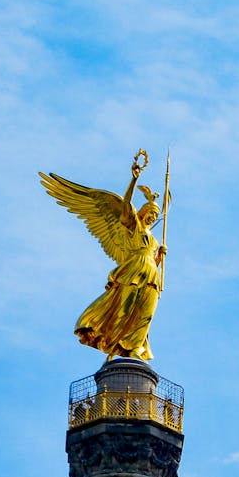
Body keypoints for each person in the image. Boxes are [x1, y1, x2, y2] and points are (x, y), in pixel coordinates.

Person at [40, 155, 168, 361]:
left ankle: (135, 348)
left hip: (151, 275)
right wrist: (134, 180)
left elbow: (153, 261)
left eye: (155, 215)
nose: (153, 217)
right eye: (150, 213)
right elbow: (125, 207)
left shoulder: (153, 240)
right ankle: (113, 343)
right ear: (143, 212)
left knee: (146, 314)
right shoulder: (132, 227)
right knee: (124, 310)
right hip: (133, 272)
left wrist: (159, 257)